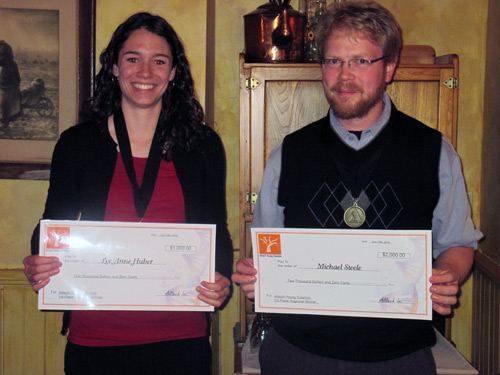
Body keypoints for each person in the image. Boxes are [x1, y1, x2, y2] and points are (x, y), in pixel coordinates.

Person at [232, 2, 482, 374]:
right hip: (297, 353)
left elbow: (458, 243)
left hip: (398, 357)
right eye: (333, 61)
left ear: (389, 68)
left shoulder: (434, 151)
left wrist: (446, 275)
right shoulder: (289, 153)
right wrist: (257, 273)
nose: (344, 76)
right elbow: (269, 246)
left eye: (361, 61)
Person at [22, 12, 233, 375]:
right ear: (116, 68)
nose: (145, 72)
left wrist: (222, 277)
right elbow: (51, 226)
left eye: (159, 61)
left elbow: (217, 231)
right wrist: (37, 259)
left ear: (173, 72)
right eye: (133, 58)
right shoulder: (78, 144)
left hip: (180, 340)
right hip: (96, 341)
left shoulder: (202, 145)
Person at [0, 40, 22, 130]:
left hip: (7, 79)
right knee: (6, 103)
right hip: (10, 78)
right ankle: (5, 124)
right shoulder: (5, 46)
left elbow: (3, 60)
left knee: (4, 102)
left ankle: (5, 125)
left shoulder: (3, 48)